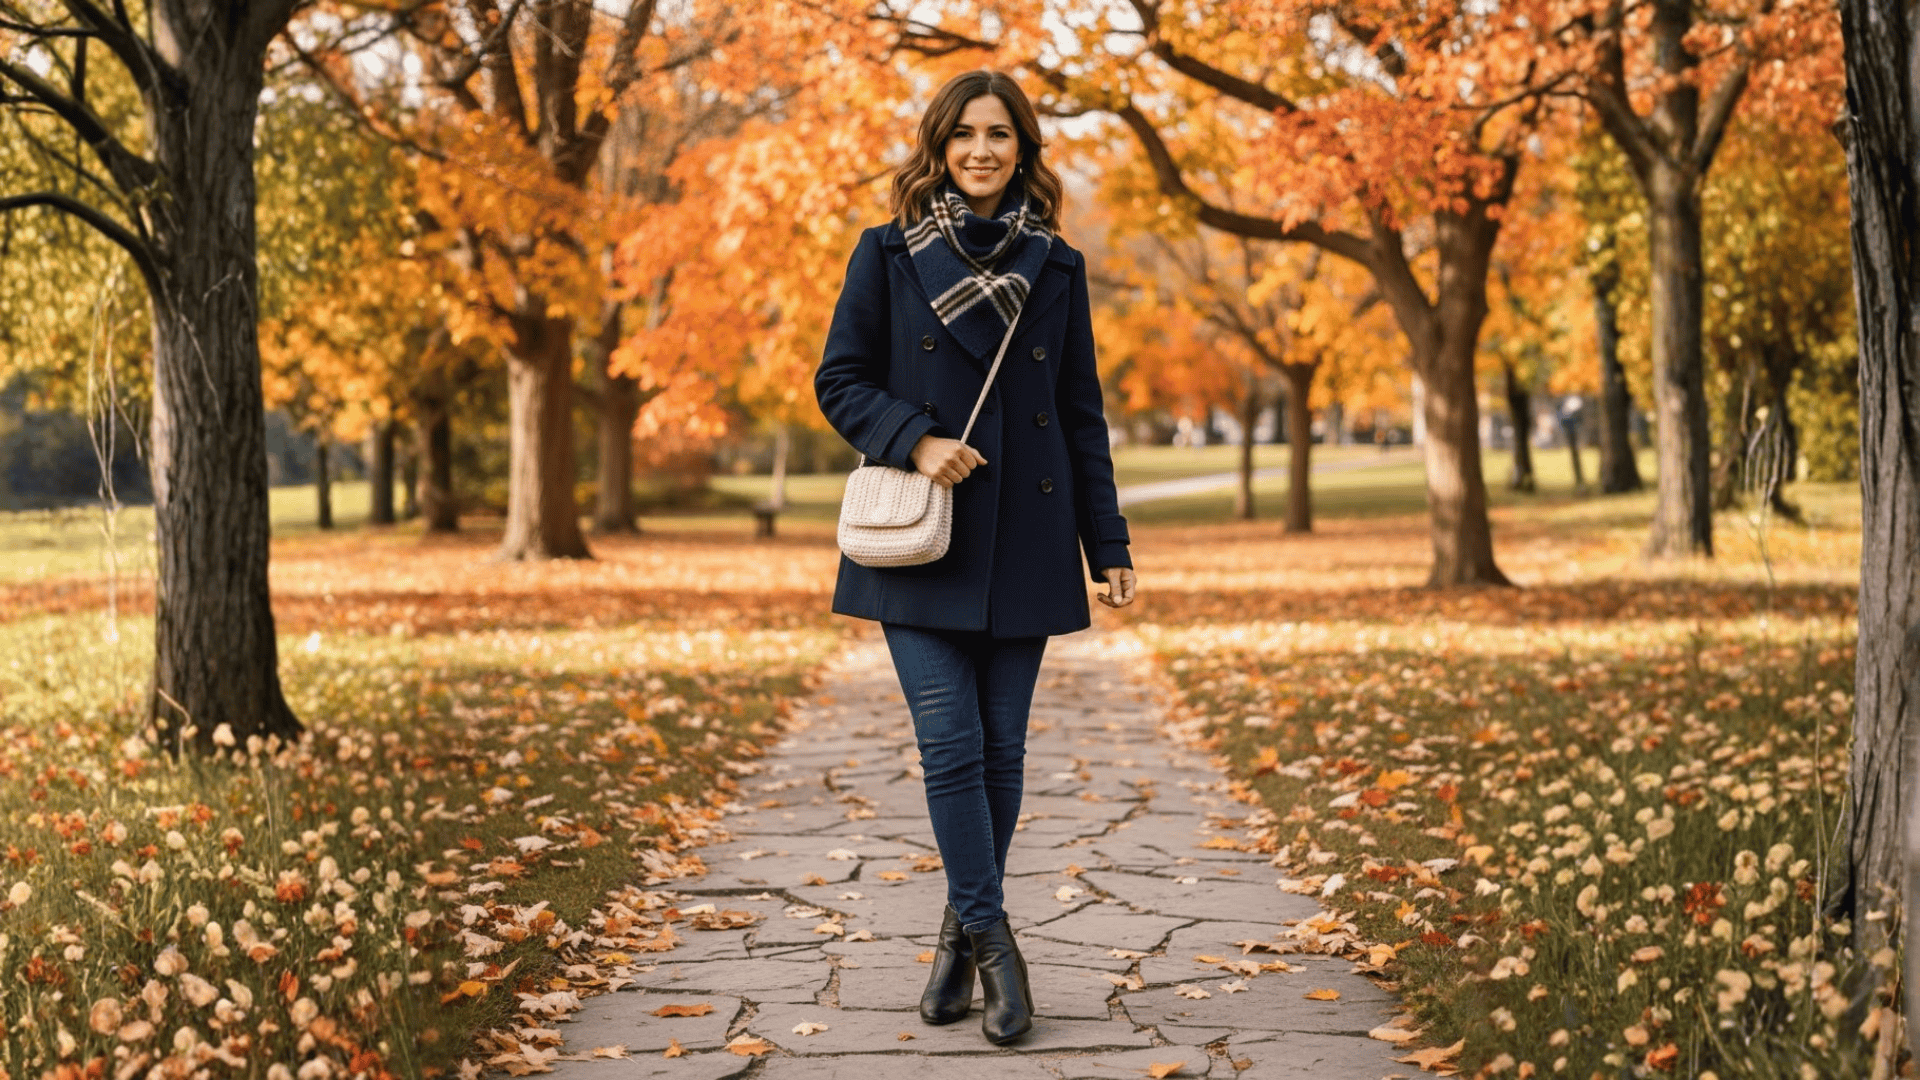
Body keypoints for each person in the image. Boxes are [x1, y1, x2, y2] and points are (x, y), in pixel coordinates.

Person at [813, 69, 1137, 1046]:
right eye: (966, 136)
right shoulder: (886, 255)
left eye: (1000, 135)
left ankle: (957, 938)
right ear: (940, 148)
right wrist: (913, 437)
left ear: (1022, 149)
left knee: (1002, 753)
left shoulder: (1057, 266)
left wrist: (1108, 545)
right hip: (922, 543)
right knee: (950, 744)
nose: (983, 151)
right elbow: (839, 379)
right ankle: (998, 945)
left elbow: (1082, 417)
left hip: (1029, 542)